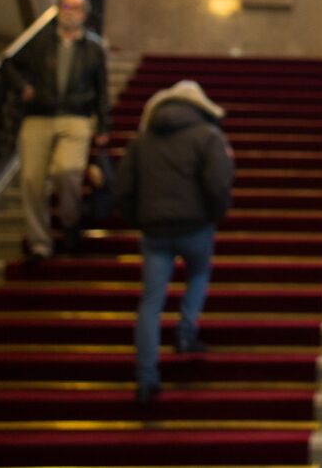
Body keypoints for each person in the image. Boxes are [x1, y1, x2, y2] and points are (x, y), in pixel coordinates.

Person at [112, 80, 233, 405]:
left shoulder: (141, 140)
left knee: (150, 301)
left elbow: (123, 188)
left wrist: (139, 220)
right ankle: (185, 334)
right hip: (195, 225)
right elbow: (218, 181)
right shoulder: (207, 136)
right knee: (198, 274)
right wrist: (213, 215)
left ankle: (146, 377)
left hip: (154, 232)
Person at [8, 0, 110, 261]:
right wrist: (24, 87)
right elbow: (10, 62)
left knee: (68, 171)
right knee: (31, 180)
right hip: (39, 115)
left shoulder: (93, 48)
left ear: (84, 14)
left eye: (75, 7)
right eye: (65, 5)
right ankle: (40, 243)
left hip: (76, 117)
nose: (69, 11)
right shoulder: (40, 41)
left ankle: (70, 222)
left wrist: (103, 127)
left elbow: (102, 89)